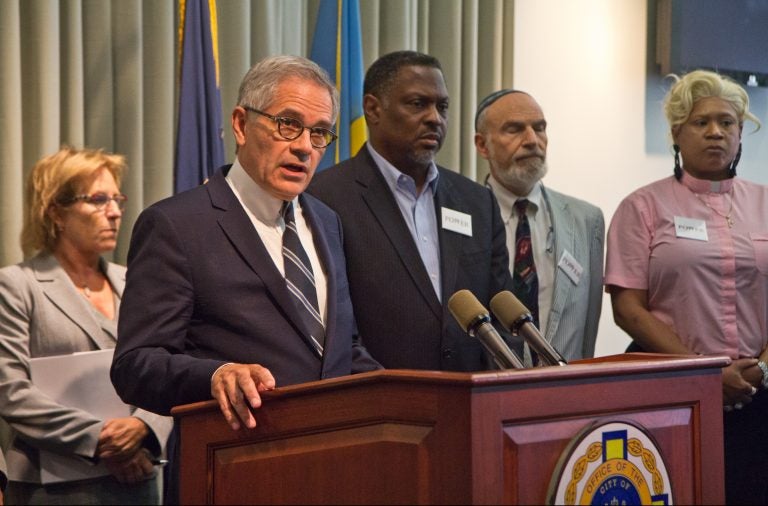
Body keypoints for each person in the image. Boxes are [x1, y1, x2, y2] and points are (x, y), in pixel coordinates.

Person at [111, 56, 381, 501]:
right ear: (240, 123)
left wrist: (402, 397)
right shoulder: (178, 225)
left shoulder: (327, 221)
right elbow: (136, 365)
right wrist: (214, 375)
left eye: (319, 133)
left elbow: (339, 348)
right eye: (288, 124)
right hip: (233, 470)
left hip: (334, 470)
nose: (304, 147)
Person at [604, 69, 768, 504]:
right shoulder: (642, 207)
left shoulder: (766, 204)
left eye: (726, 122)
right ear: (677, 134)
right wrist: (705, 371)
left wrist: (762, 368)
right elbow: (628, 308)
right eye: (701, 123)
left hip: (760, 392)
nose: (715, 132)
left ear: (740, 134)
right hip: (669, 393)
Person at [308, 50, 513, 371]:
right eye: (418, 104)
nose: (435, 118)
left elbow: (503, 314)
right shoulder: (324, 197)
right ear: (373, 109)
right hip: (378, 403)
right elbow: (327, 321)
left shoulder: (476, 202)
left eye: (442, 106)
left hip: (473, 402)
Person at [0, 147, 172, 505]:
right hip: (54, 488)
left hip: (139, 476)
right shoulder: (17, 286)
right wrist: (102, 440)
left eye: (116, 199)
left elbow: (166, 368)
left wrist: (144, 428)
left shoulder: (134, 282)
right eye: (97, 200)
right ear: (55, 212)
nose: (114, 212)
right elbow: (10, 391)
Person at [474, 90, 604, 361]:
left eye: (540, 128)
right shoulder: (465, 219)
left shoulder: (586, 220)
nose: (532, 140)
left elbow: (588, 329)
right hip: (488, 392)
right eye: (514, 129)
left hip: (565, 392)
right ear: (482, 145)